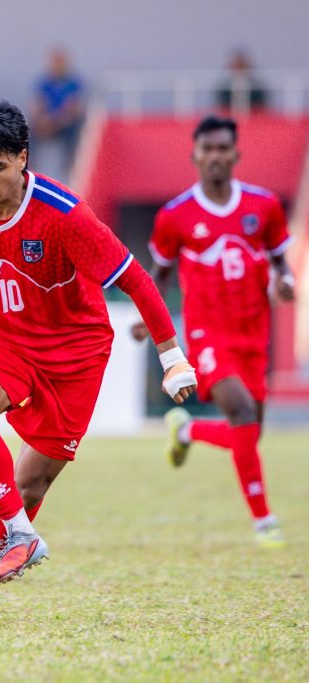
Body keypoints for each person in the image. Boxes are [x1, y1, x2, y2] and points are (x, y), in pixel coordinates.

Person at [0, 98, 196, 623]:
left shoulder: (63, 214)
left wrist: (173, 358)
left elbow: (136, 280)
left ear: (22, 157)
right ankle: (22, 534)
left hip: (75, 352)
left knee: (30, 484)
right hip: (8, 339)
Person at [131, 115, 294, 548]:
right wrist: (146, 317)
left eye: (223, 148)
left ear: (236, 153)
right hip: (208, 335)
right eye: (208, 149)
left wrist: (287, 281)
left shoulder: (264, 206)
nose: (216, 156)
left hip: (254, 333)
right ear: (196, 155)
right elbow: (159, 273)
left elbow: (281, 261)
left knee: (249, 433)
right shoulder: (175, 215)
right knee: (240, 413)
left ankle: (186, 430)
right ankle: (264, 521)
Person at [29, 48, 84, 181]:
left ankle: (70, 166)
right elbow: (37, 104)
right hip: (47, 122)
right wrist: (41, 120)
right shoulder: (44, 82)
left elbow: (74, 108)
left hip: (65, 123)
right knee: (27, 130)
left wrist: (57, 122)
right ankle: (28, 165)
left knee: (75, 130)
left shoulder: (73, 83)